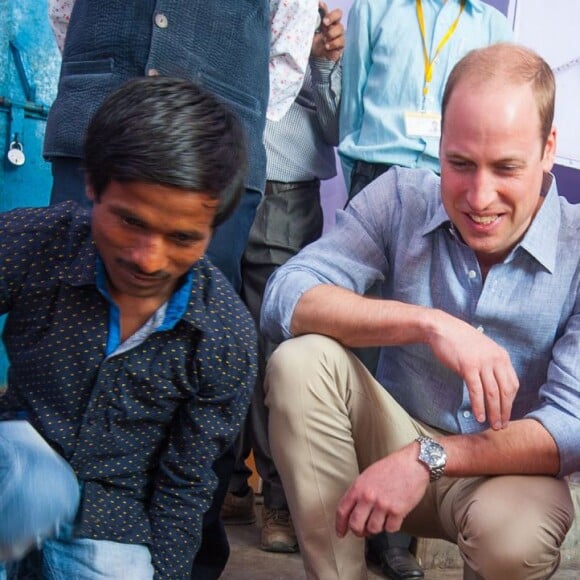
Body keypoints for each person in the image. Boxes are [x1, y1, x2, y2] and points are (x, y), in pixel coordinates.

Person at [261, 42, 579, 580]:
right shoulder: (400, 200)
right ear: (440, 144)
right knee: (300, 361)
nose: (480, 197)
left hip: (506, 471)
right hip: (388, 437)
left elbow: (570, 426)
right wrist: (430, 324)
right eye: (460, 164)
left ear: (548, 149)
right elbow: (285, 295)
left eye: (506, 168)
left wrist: (426, 457)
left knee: (515, 540)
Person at [0, 77, 257, 580]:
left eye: (182, 237)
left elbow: (185, 486)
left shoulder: (226, 337)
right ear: (92, 185)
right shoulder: (34, 242)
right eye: (131, 222)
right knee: (38, 486)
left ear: (213, 229)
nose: (149, 258)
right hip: (12, 470)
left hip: (111, 523)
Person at [338, 2, 512, 575]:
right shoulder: (377, 8)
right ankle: (371, 530)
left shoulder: (490, 24)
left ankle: (417, 508)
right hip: (383, 171)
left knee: (434, 366)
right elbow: (351, 100)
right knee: (355, 349)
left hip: (452, 176)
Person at [222, 1, 344, 554]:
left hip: (285, 187)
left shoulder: (320, 17)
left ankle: (278, 496)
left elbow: (339, 125)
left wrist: (319, 60)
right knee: (220, 333)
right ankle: (228, 482)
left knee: (276, 347)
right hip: (217, 173)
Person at [339, 0, 513, 198]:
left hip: (449, 181)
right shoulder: (371, 7)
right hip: (374, 173)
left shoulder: (494, 26)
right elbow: (351, 112)